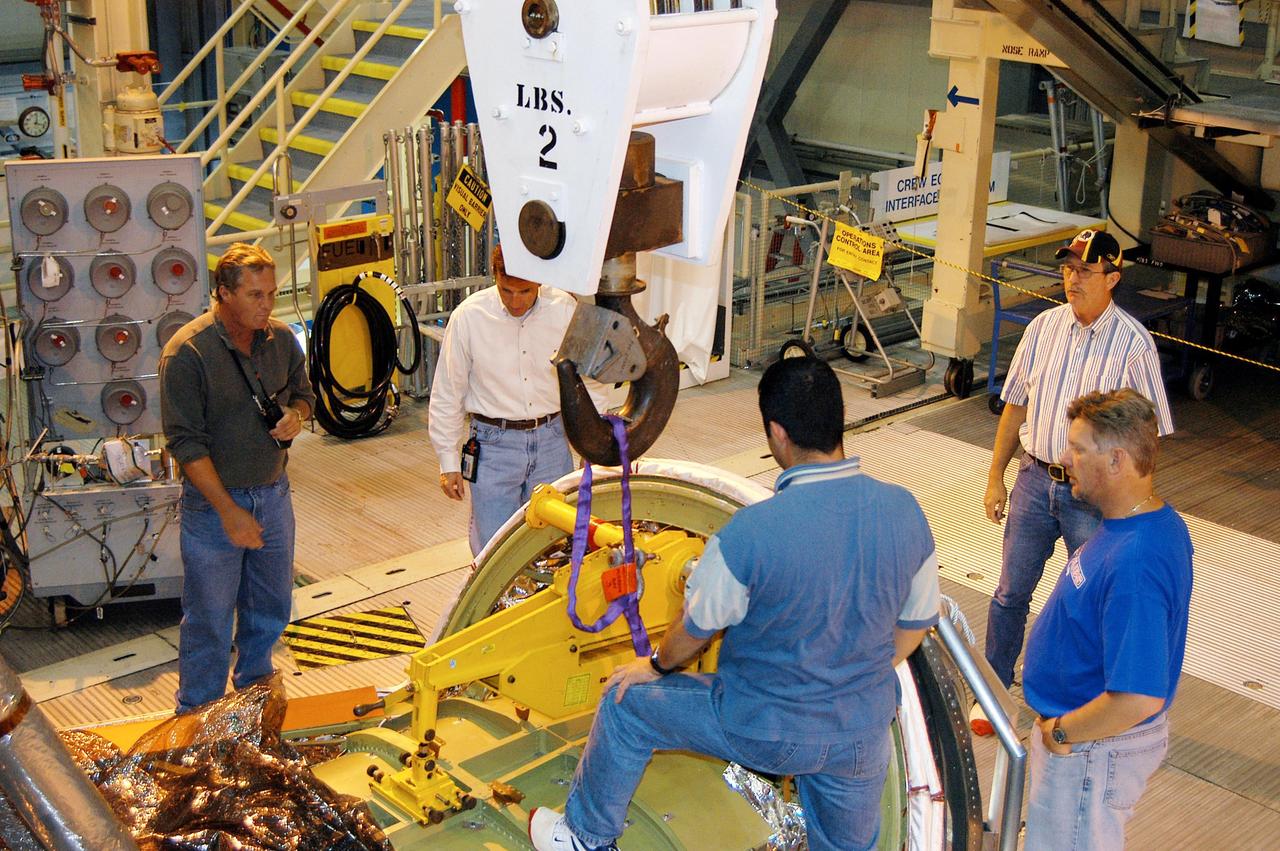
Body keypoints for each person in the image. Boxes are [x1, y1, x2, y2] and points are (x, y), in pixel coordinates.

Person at [527, 357, 941, 851]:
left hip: (765, 728)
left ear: (776, 433)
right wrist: (849, 671)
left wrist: (655, 666)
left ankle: (584, 837)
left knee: (627, 705)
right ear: (838, 423)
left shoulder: (749, 534)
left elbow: (694, 631)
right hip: (861, 731)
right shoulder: (905, 511)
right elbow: (913, 628)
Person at [973, 228, 1174, 736]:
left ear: (1113, 277)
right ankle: (994, 692)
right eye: (1067, 269)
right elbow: (1014, 403)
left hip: (1095, 501)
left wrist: (1129, 508)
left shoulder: (1133, 345)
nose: (1072, 279)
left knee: (1093, 600)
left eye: (1084, 270)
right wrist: (996, 475)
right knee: (1009, 592)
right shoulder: (1043, 328)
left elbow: (1149, 437)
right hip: (1035, 482)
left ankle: (1096, 706)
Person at [1022, 388, 1193, 850]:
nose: (1064, 458)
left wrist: (1062, 731)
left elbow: (1138, 696)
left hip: (1092, 750)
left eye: (1078, 449)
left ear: (1116, 460)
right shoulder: (1137, 524)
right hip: (1084, 742)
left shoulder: (1136, 559)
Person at [160, 243, 314, 714]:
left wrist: (296, 416)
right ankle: (196, 717)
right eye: (254, 295)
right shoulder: (188, 353)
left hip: (273, 495)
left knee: (270, 608)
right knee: (209, 617)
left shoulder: (281, 340)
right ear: (222, 294)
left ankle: (255, 698)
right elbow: (186, 446)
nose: (266, 305)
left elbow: (305, 395)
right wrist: (230, 512)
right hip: (213, 509)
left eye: (272, 293)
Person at [429, 243, 584, 555]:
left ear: (540, 281)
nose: (515, 301)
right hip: (492, 448)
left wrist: (591, 442)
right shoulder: (469, 318)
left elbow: (587, 380)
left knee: (555, 545)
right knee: (494, 550)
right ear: (494, 276)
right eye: (506, 290)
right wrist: (448, 461)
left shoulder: (564, 309)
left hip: (553, 441)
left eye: (525, 291)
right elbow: (448, 392)